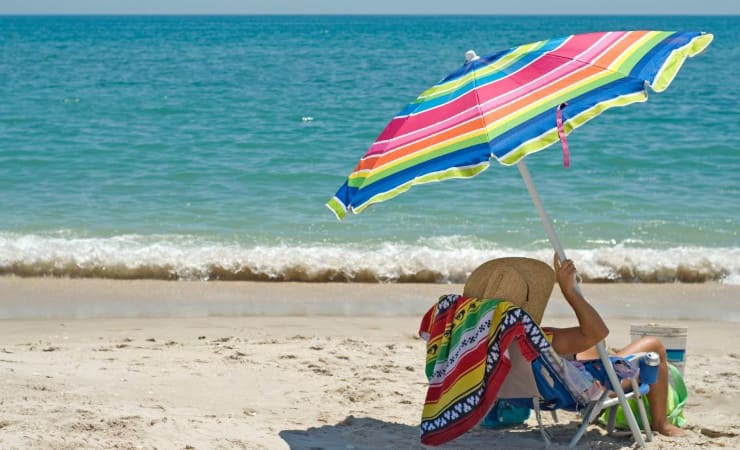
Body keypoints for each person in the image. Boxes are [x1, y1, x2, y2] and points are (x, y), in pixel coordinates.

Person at [463, 255, 683, 437]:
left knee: (596, 347)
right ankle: (660, 423)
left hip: (523, 393)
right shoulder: (537, 338)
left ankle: (608, 358)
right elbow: (598, 331)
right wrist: (570, 291)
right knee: (654, 346)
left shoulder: (476, 341)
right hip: (578, 392)